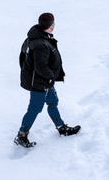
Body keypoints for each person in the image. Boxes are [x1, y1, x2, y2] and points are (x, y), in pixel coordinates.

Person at [15, 13, 81, 148]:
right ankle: (21, 135)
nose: (53, 26)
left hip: (44, 81)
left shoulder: (34, 37)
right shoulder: (41, 44)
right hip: (40, 84)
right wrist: (50, 77)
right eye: (52, 24)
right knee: (34, 109)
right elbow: (40, 67)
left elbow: (22, 57)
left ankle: (61, 127)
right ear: (50, 27)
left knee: (53, 102)